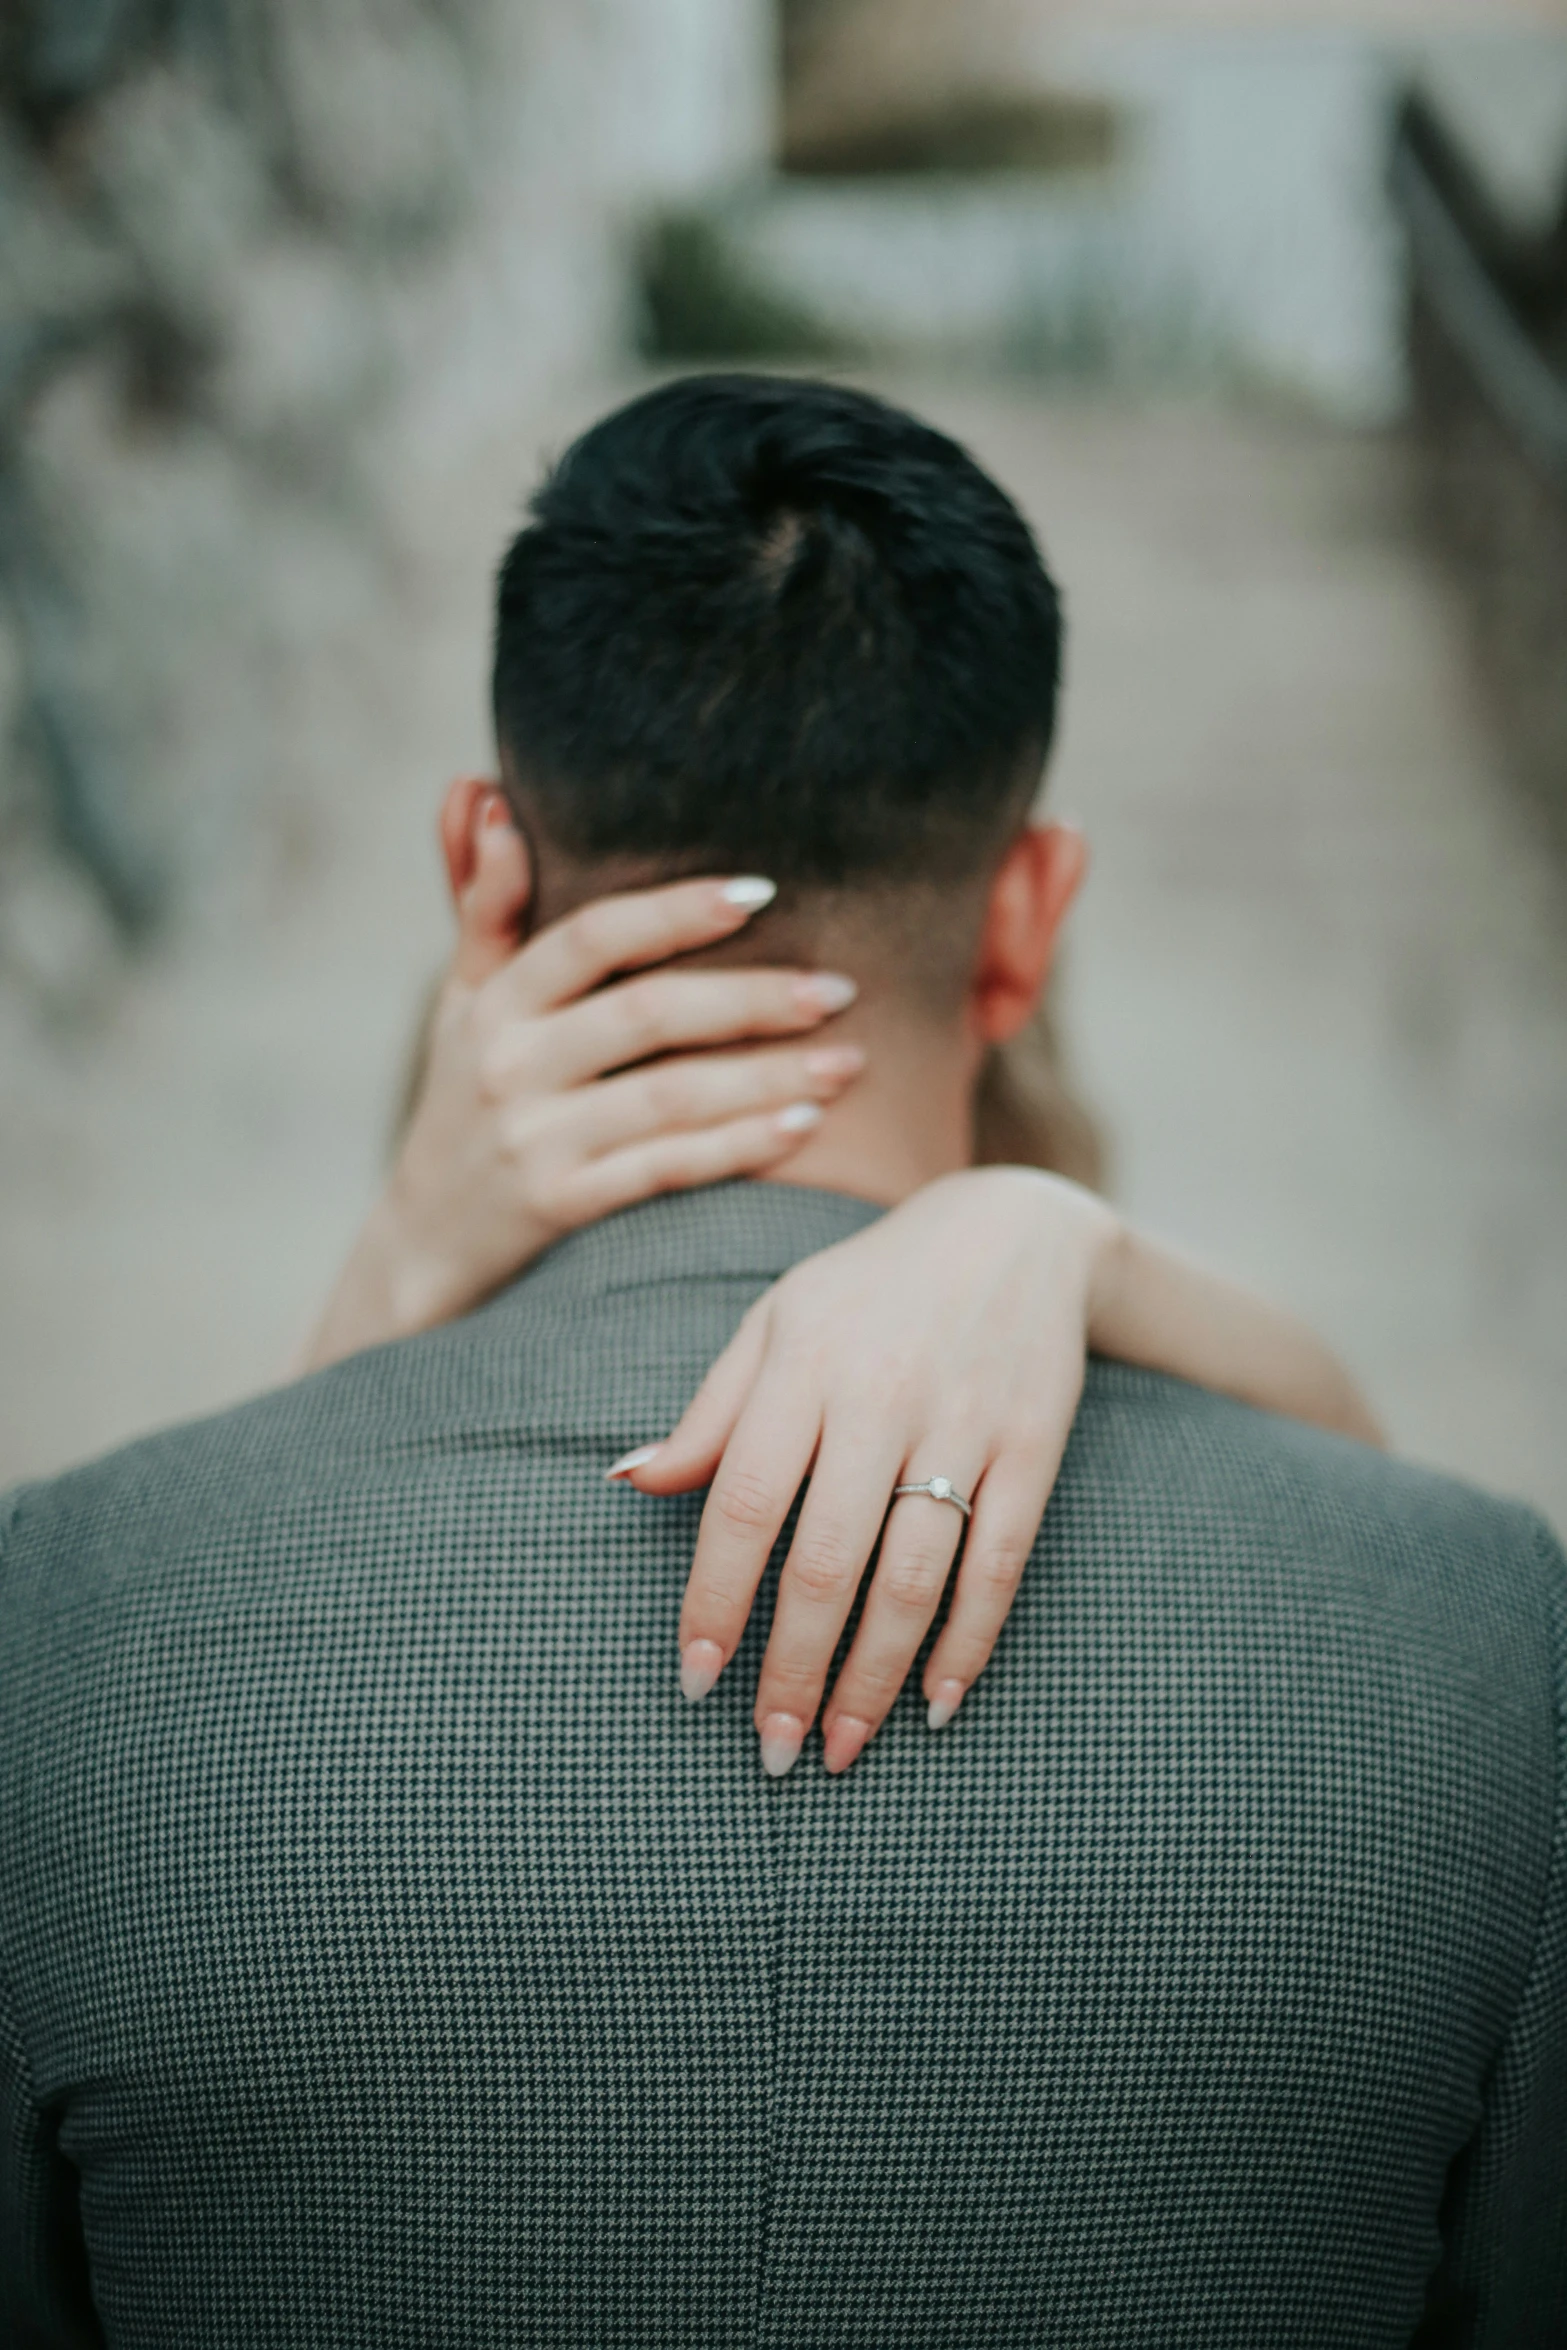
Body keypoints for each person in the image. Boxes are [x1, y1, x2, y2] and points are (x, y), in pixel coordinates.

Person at [1, 375, 1562, 2346]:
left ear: (486, 854)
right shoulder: (1485, 1638)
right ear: (1027, 915)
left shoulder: (57, 1629)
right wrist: (1062, 1227)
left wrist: (397, 1255)